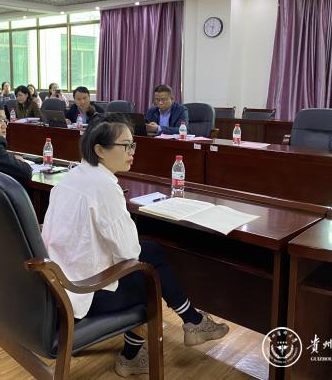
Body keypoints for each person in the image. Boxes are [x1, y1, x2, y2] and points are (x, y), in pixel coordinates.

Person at [42, 115, 229, 377]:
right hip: (82, 294)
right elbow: (129, 252)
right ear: (100, 150)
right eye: (126, 145)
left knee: (152, 251)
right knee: (148, 274)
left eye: (133, 145)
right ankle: (134, 354)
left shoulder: (73, 176)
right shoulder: (104, 186)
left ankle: (192, 320)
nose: (132, 152)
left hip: (57, 284)